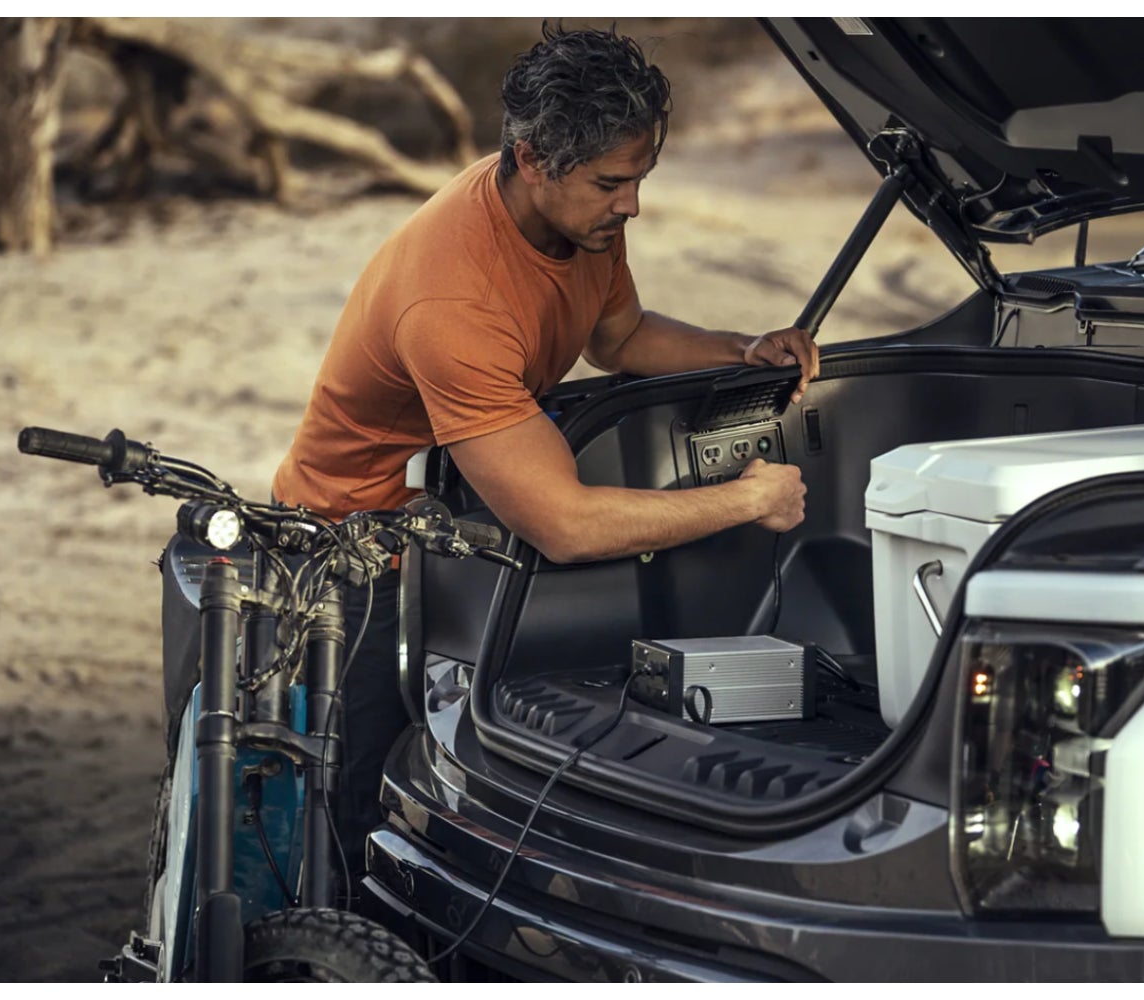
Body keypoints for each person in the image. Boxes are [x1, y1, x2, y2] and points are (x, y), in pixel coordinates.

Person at [271, 28, 816, 848]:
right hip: (352, 552)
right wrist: (744, 500)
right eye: (611, 184)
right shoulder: (451, 302)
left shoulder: (579, 216)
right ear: (531, 160)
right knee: (359, 812)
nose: (630, 204)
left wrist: (740, 350)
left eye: (638, 178)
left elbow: (620, 336)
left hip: (450, 528)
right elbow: (562, 525)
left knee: (467, 777)